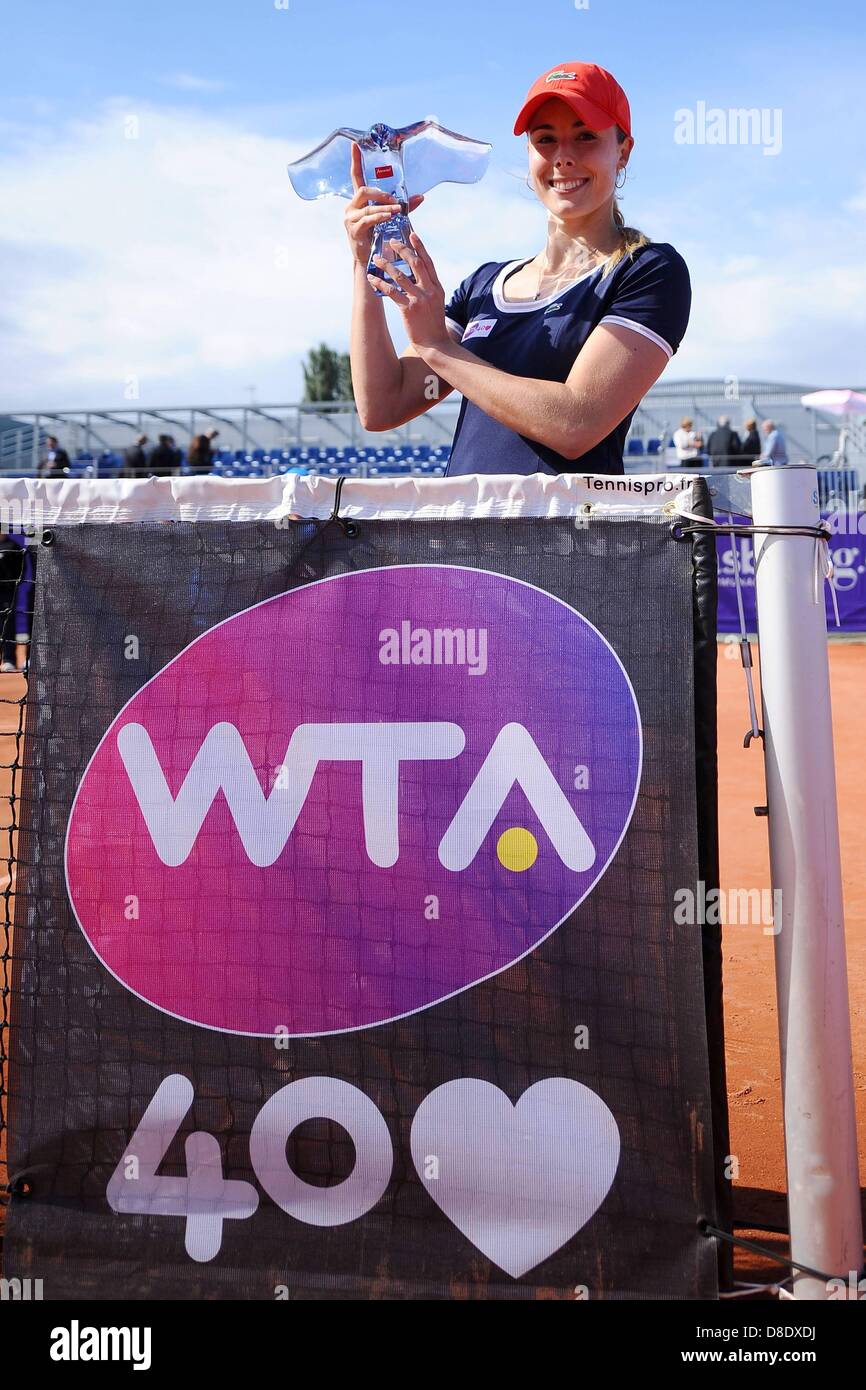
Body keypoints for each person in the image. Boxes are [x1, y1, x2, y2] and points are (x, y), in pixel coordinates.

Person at [345, 61, 691, 476]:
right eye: (545, 139)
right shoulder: (484, 285)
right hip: (464, 536)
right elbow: (384, 405)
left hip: (566, 538)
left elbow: (576, 424)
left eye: (585, 137)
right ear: (529, 154)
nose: (563, 157)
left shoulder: (647, 272)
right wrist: (365, 259)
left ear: (623, 151)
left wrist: (439, 347)